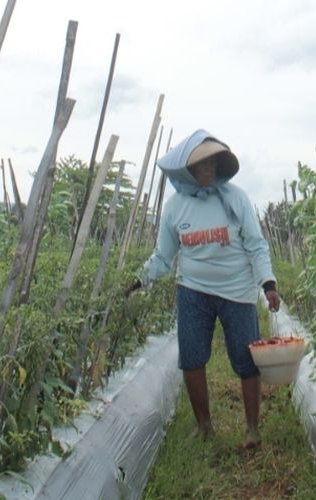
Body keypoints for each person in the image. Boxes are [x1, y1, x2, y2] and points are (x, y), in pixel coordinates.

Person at [124, 129, 280, 447]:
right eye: (202, 165)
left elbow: (256, 245)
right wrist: (138, 279)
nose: (209, 170)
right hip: (193, 290)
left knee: (247, 359)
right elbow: (163, 256)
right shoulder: (176, 207)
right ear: (189, 170)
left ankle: (252, 430)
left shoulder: (236, 199)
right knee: (192, 358)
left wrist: (268, 284)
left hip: (236, 291)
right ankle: (204, 426)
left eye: (213, 164)